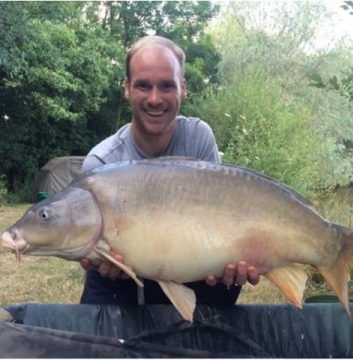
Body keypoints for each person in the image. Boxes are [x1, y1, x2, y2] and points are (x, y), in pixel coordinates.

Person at [79, 35, 259, 306]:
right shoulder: (101, 164)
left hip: (190, 261)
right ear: (127, 88)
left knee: (223, 281)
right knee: (103, 303)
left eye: (166, 86)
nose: (154, 99)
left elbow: (217, 217)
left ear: (183, 89)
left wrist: (235, 256)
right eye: (143, 85)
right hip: (121, 276)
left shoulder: (198, 137)